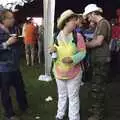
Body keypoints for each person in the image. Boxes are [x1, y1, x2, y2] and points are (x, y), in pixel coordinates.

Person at [49, 10, 86, 120]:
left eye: (75, 20)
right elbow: (53, 54)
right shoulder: (56, 36)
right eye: (73, 20)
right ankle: (60, 115)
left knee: (73, 97)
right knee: (61, 95)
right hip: (59, 72)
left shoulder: (77, 36)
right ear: (66, 22)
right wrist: (52, 51)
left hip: (74, 73)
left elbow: (83, 52)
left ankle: (74, 117)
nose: (76, 22)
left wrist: (72, 59)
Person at [83, 4, 111, 120]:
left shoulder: (103, 23)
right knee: (96, 86)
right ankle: (96, 108)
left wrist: (85, 45)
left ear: (93, 13)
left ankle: (97, 114)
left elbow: (99, 42)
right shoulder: (100, 24)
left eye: (89, 16)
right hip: (99, 59)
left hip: (101, 60)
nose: (88, 19)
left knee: (98, 88)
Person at [0, 9, 28, 120]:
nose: (13, 19)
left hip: (15, 66)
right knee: (6, 92)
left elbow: (16, 44)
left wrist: (20, 40)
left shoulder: (13, 28)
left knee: (20, 88)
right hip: (3, 68)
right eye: (10, 18)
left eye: (13, 17)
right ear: (3, 19)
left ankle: (24, 106)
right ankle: (9, 114)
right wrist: (7, 43)